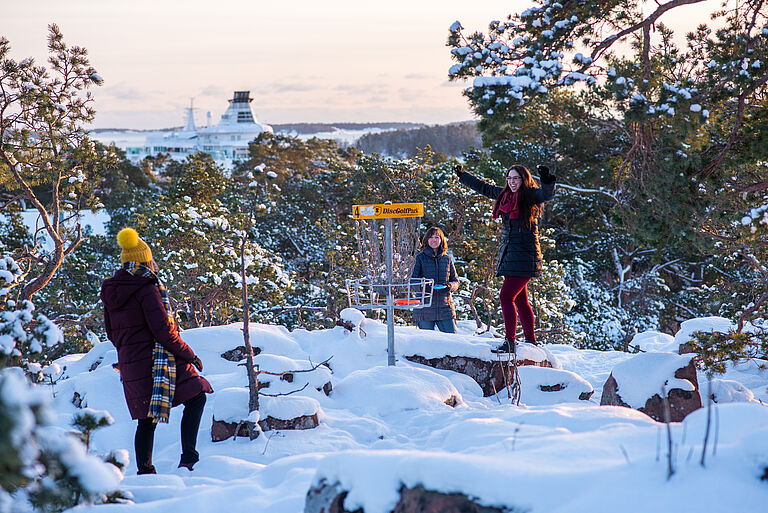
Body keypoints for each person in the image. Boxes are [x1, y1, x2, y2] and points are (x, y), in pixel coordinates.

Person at [100, 227, 213, 474]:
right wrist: (189, 355)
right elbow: (163, 330)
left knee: (146, 419)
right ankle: (189, 460)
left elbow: (111, 332)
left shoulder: (112, 290)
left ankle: (145, 471)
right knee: (197, 395)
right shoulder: (146, 287)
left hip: (131, 362)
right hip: (157, 360)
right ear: (145, 260)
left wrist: (128, 353)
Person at [455, 163, 556, 352]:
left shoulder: (530, 195)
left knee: (505, 296)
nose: (512, 181)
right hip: (510, 254)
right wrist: (463, 176)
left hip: (526, 255)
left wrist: (547, 180)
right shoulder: (504, 196)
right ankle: (530, 340)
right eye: (509, 178)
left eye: (516, 178)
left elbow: (546, 195)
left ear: (523, 179)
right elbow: (484, 188)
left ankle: (510, 341)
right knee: (521, 301)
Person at [411, 226, 460, 333]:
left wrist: (449, 286)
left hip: (445, 309)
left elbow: (456, 282)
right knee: (427, 345)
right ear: (426, 240)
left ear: (441, 240)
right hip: (425, 310)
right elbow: (412, 282)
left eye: (437, 237)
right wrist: (424, 285)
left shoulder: (447, 259)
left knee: (452, 343)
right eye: (431, 237)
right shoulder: (420, 258)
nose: (434, 240)